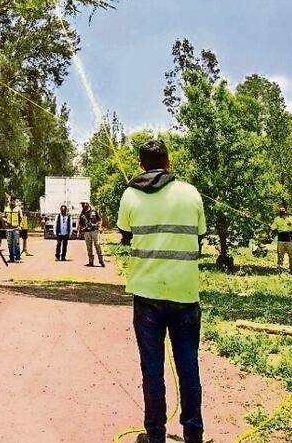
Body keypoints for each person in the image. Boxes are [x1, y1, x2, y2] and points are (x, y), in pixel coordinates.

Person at [117, 139, 206, 443]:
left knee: (152, 368)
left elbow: (125, 234)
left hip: (147, 296)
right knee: (188, 365)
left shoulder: (130, 194)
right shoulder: (191, 193)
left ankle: (155, 434)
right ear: (169, 163)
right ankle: (193, 433)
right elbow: (200, 236)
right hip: (185, 294)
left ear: (141, 165)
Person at [272, 205, 292, 274]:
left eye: (283, 211)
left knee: (291, 255)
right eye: (281, 211)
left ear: (286, 211)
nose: (282, 212)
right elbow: (273, 227)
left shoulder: (291, 218)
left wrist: (291, 225)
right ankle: (279, 268)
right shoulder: (277, 219)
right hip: (281, 239)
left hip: (289, 239)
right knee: (280, 255)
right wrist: (274, 226)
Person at [79, 201, 105, 267]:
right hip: (86, 232)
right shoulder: (82, 214)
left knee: (97, 245)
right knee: (89, 247)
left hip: (95, 231)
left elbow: (100, 220)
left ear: (87, 204)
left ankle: (101, 260)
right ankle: (91, 261)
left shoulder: (94, 211)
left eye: (84, 204)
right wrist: (79, 231)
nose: (83, 205)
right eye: (82, 204)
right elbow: (80, 223)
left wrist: (99, 226)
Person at [3, 197, 23, 263]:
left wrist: (20, 226)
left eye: (13, 201)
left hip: (16, 228)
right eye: (11, 200)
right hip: (8, 229)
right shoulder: (6, 209)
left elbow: (21, 218)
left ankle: (17, 257)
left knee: (16, 243)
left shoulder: (18, 209)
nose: (12, 202)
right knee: (9, 244)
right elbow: (3, 217)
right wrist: (5, 220)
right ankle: (11, 257)